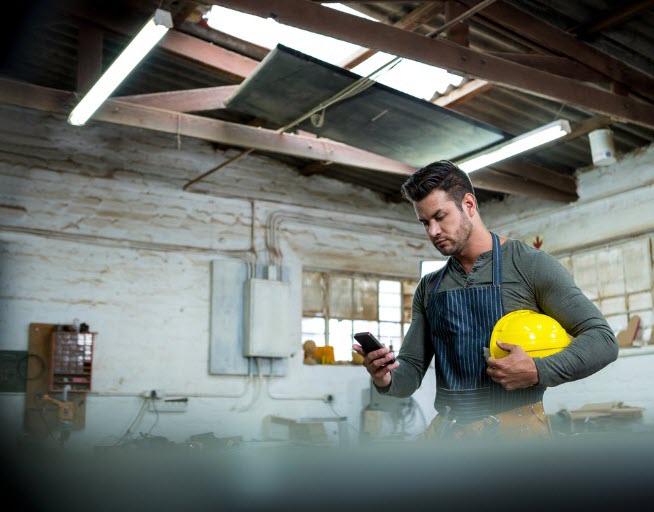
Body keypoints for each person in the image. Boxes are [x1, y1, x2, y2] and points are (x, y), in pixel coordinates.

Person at [353, 160, 618, 439]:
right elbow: (410, 372)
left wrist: (538, 370)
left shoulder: (529, 265)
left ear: (468, 204)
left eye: (440, 216)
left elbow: (603, 340)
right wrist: (385, 376)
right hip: (450, 436)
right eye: (425, 222)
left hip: (518, 436)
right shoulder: (429, 287)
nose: (433, 231)